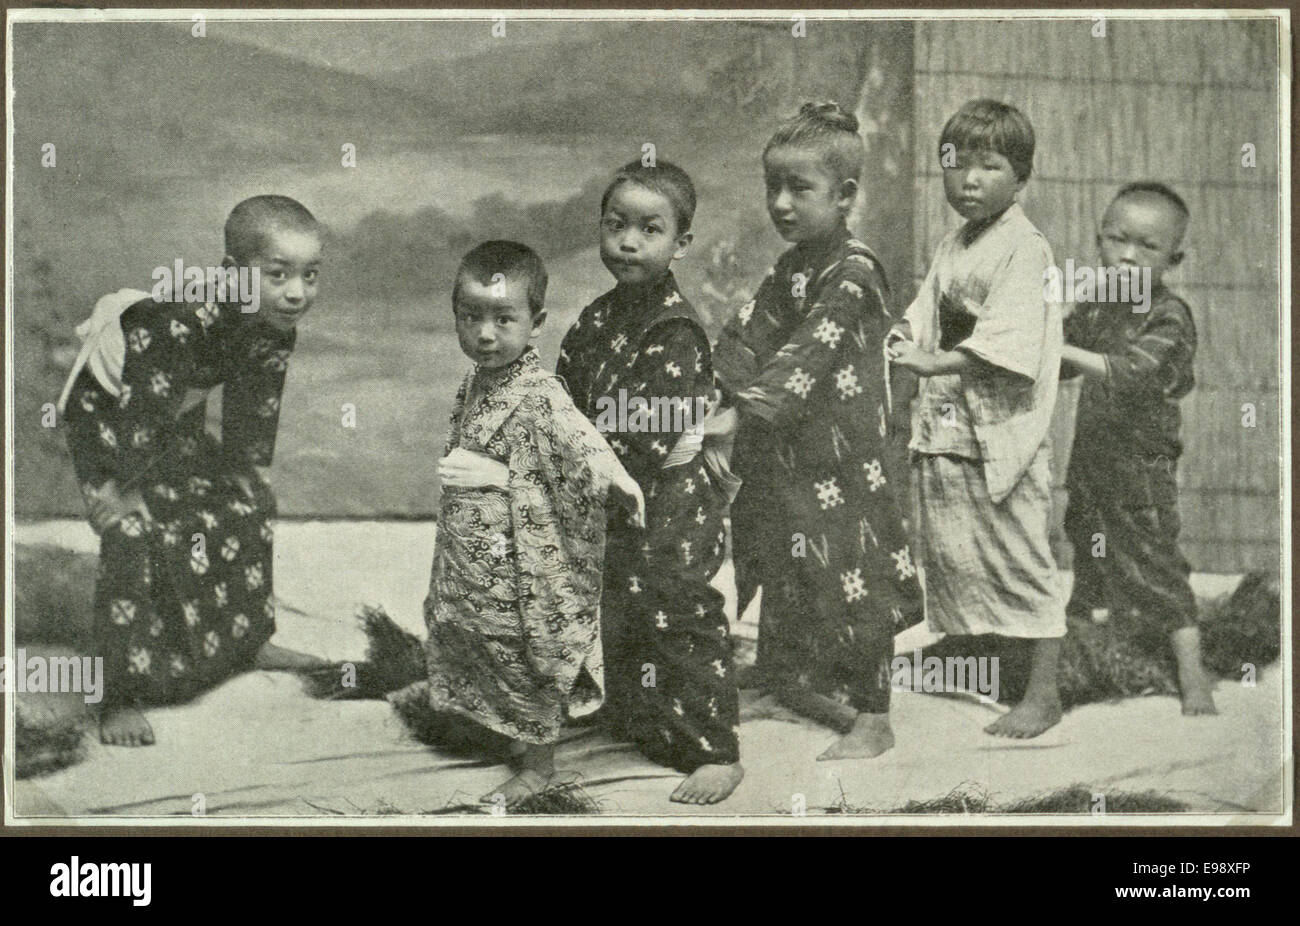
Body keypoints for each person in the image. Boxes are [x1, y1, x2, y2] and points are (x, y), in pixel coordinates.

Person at [60, 194, 328, 747]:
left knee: (248, 499)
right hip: (111, 421)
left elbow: (255, 403)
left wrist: (250, 467)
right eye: (278, 274)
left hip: (171, 419)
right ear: (234, 274)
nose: (297, 292)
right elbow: (138, 413)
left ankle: (249, 638)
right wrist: (121, 489)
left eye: (310, 275)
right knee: (131, 530)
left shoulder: (274, 323)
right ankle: (118, 694)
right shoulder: (179, 319)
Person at [711, 101, 923, 760]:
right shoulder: (792, 267)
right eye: (773, 187)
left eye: (799, 188)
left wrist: (739, 412)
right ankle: (779, 678)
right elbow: (747, 332)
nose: (780, 203)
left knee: (852, 574)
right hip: (791, 453)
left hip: (847, 458)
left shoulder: (854, 272)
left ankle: (873, 713)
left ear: (845, 195)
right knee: (785, 560)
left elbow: (807, 354)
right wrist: (718, 388)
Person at [403, 240, 644, 805]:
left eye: (502, 319)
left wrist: (616, 478)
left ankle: (538, 765)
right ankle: (498, 729)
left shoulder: (538, 393)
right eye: (471, 317)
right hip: (473, 553)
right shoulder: (476, 382)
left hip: (518, 564)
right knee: (476, 639)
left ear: (535, 324)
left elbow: (580, 442)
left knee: (522, 651)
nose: (485, 334)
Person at [557, 160, 744, 804]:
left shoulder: (674, 329)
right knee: (621, 605)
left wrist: (581, 466)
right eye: (616, 226)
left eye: (649, 229)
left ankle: (717, 747)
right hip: (611, 493)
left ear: (680, 245)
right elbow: (565, 397)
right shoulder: (597, 318)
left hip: (667, 499)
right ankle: (641, 716)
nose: (629, 242)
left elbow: (647, 439)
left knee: (680, 608)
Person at [887, 99, 1067, 738]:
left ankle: (1043, 692)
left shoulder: (1026, 248)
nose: (969, 179)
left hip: (997, 431)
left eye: (990, 166)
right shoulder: (954, 242)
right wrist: (901, 334)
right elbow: (924, 308)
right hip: (950, 428)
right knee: (951, 549)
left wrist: (928, 362)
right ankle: (959, 651)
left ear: (1021, 178)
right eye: (956, 164)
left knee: (1020, 559)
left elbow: (1009, 342)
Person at [1060, 182, 1216, 715]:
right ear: (1098, 240)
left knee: (1154, 557)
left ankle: (1194, 677)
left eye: (1146, 247)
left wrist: (1054, 347)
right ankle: (1071, 655)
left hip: (1142, 464)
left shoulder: (1170, 315)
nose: (1127, 255)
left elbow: (1128, 372)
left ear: (1174, 258)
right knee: (1086, 544)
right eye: (1116, 239)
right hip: (1092, 458)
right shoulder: (1098, 306)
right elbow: (1057, 363)